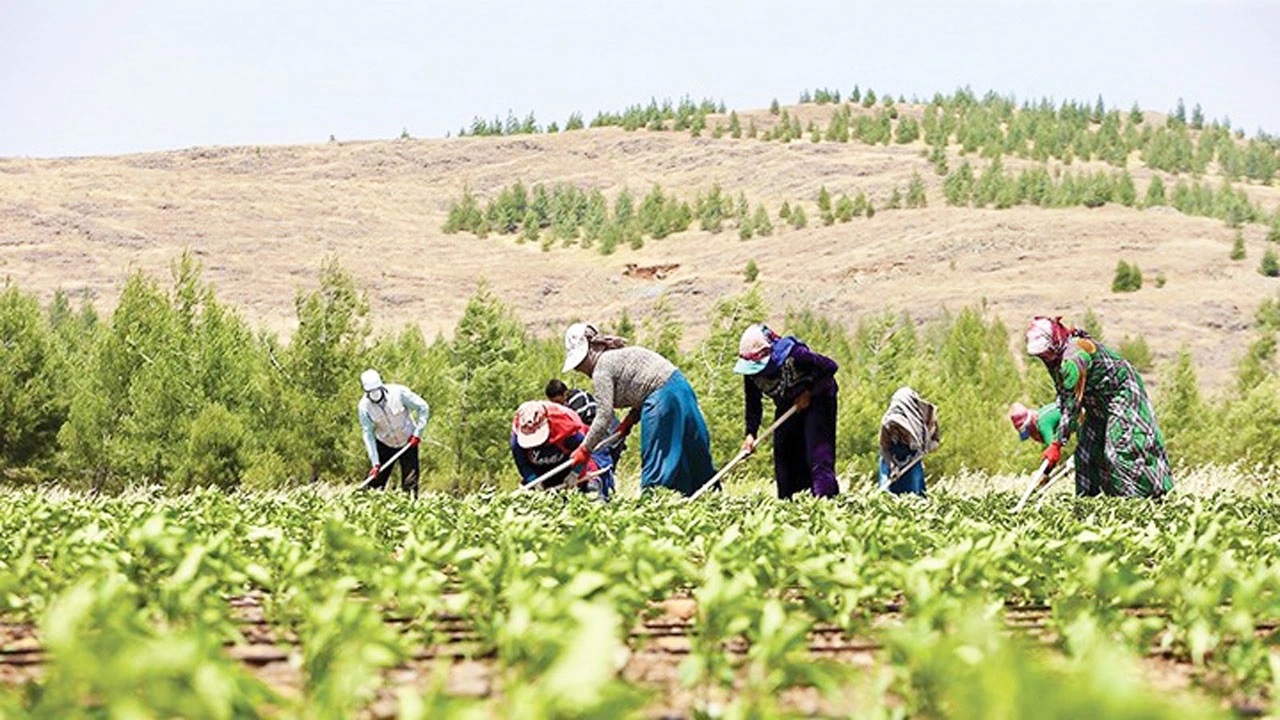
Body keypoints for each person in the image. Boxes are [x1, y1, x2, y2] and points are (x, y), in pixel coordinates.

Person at [1025, 316, 1173, 498]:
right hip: (1095, 401)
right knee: (1085, 455)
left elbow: (1072, 406)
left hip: (1121, 393)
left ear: (1055, 341)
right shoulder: (1053, 360)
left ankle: (1136, 503)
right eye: (1041, 355)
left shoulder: (1074, 356)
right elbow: (1065, 397)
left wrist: (1056, 444)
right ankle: (1087, 508)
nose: (1044, 357)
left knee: (1118, 451)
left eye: (1045, 352)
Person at [563, 323, 716, 497]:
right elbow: (640, 386)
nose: (579, 369)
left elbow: (603, 416)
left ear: (590, 351)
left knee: (658, 459)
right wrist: (630, 420)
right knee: (693, 450)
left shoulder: (601, 368)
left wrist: (585, 449)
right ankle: (707, 495)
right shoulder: (615, 358)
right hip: (680, 388)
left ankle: (652, 506)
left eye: (580, 363)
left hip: (663, 398)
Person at [733, 324, 840, 499]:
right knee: (784, 456)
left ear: (767, 353)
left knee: (817, 456)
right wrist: (750, 434)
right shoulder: (751, 373)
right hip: (788, 403)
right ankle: (789, 507)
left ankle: (825, 504)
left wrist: (809, 392)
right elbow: (753, 403)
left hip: (819, 397)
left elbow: (830, 367)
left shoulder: (796, 355)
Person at [511, 400, 614, 500]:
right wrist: (533, 481)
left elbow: (583, 453)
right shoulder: (517, 439)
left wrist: (575, 473)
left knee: (589, 494)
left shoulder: (567, 431)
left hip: (567, 465)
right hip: (541, 472)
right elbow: (522, 463)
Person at [357, 369, 430, 497]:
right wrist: (375, 462)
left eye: (376, 390)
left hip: (408, 442)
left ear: (381, 386)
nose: (375, 395)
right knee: (375, 485)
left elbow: (423, 407)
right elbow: (368, 434)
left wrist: (417, 434)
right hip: (384, 444)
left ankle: (410, 509)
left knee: (410, 483)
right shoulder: (364, 407)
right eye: (370, 392)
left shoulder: (399, 393)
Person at [545, 377, 625, 464]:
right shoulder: (569, 402)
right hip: (603, 430)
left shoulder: (577, 401)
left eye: (558, 401)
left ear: (565, 394)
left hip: (608, 431)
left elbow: (576, 426)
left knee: (604, 463)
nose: (557, 405)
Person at [878, 386, 940, 496]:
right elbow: (884, 448)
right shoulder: (888, 422)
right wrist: (893, 467)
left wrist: (931, 446)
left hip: (913, 459)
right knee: (886, 495)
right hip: (891, 457)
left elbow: (935, 440)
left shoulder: (925, 415)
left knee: (913, 494)